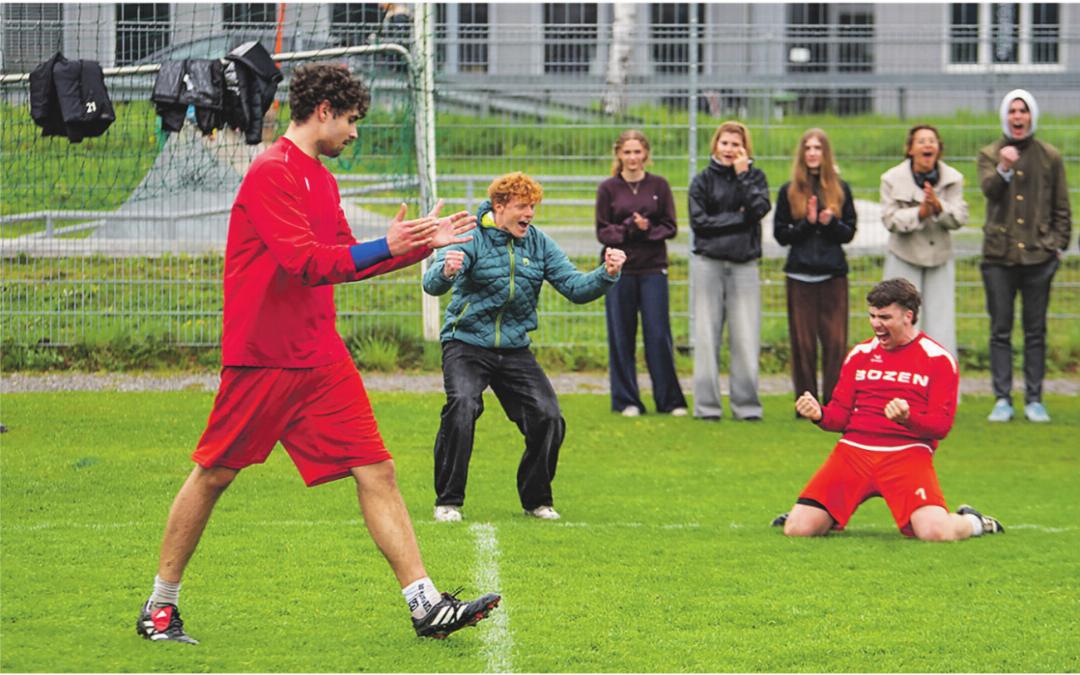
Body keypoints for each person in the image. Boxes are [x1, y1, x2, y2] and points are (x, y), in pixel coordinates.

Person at [135, 64, 499, 645]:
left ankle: (425, 604)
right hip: (264, 357)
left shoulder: (321, 179)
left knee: (377, 469)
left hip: (319, 357)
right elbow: (305, 263)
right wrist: (392, 243)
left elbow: (344, 257)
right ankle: (160, 605)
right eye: (352, 120)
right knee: (213, 475)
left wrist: (415, 247)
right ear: (324, 109)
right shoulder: (270, 172)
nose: (355, 133)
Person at [423, 172, 626, 523]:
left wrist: (606, 273)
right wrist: (447, 272)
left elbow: (575, 288)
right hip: (466, 342)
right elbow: (432, 283)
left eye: (532, 206)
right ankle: (448, 500)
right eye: (522, 206)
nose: (529, 214)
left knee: (548, 417)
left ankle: (537, 500)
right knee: (463, 406)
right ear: (500, 207)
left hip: (515, 348)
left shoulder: (539, 244)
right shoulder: (471, 238)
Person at [772, 279, 1004, 541]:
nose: (875, 324)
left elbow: (941, 426)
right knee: (798, 529)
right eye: (872, 316)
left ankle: (973, 521)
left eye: (884, 317)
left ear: (909, 316)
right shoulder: (859, 354)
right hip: (853, 452)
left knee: (936, 533)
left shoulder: (938, 359)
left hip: (907, 455)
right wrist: (819, 414)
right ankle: (806, 513)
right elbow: (840, 416)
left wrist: (908, 418)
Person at [977, 89, 1072, 423]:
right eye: (1013, 111)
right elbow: (989, 191)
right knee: (1000, 329)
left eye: (1024, 111)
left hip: (1039, 258)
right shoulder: (989, 154)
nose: (1018, 117)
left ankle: (1035, 398)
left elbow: (1062, 206)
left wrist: (1056, 245)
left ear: (1032, 116)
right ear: (1005, 116)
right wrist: (1004, 167)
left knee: (1035, 331)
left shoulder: (1050, 157)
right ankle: (1002, 398)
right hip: (998, 258)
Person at [595, 130, 688, 418]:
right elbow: (603, 231)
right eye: (627, 152)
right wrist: (631, 229)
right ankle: (626, 400)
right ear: (619, 155)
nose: (632, 158)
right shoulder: (608, 188)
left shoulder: (659, 185)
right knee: (622, 335)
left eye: (637, 152)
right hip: (619, 270)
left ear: (645, 154)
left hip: (652, 269)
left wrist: (648, 230)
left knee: (658, 334)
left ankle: (670, 400)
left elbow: (670, 227)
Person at [689, 121, 771, 421]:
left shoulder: (755, 177)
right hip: (708, 264)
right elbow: (700, 223)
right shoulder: (701, 181)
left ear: (744, 149)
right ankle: (707, 407)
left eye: (736, 145)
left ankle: (747, 406)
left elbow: (759, 209)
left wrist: (743, 177)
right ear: (715, 145)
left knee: (746, 337)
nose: (729, 149)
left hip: (744, 265)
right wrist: (739, 219)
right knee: (706, 336)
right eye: (725, 143)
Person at [773, 128, 857, 410]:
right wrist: (807, 224)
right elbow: (781, 234)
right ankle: (805, 404)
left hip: (833, 275)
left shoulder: (841, 189)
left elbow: (848, 233)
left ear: (825, 153)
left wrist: (829, 222)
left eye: (817, 148)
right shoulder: (788, 190)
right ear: (802, 154)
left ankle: (833, 404)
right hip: (799, 276)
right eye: (807, 148)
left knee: (835, 342)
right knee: (803, 344)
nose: (812, 153)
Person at [880, 124, 969, 360]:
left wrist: (939, 207)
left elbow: (960, 217)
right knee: (898, 321)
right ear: (909, 149)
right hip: (904, 256)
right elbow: (890, 220)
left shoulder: (953, 178)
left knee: (941, 323)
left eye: (932, 141)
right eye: (921, 141)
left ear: (939, 149)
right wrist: (920, 213)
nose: (927, 145)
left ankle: (943, 388)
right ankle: (897, 382)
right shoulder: (891, 179)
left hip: (940, 257)